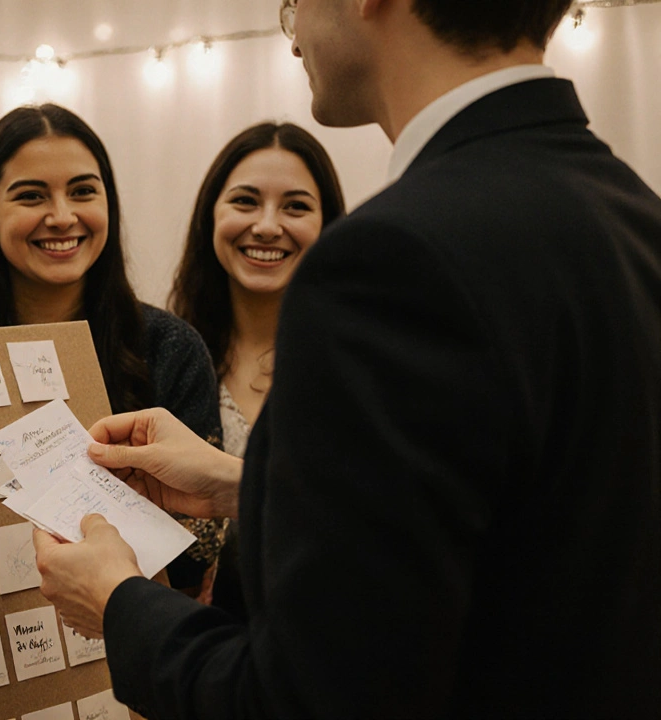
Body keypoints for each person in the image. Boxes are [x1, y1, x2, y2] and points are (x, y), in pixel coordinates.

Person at [33, 0, 661, 717]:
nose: (292, 21)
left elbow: (308, 696)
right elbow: (525, 527)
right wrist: (248, 486)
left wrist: (117, 602)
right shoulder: (634, 215)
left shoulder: (391, 256)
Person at [0, 103, 222, 590]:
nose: (61, 216)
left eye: (82, 192)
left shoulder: (169, 347)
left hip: (130, 642)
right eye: (31, 196)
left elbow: (195, 551)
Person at [170, 122, 345, 608]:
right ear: (210, 216)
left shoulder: (355, 365)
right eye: (245, 201)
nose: (268, 226)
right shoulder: (165, 357)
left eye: (296, 206)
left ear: (329, 224)